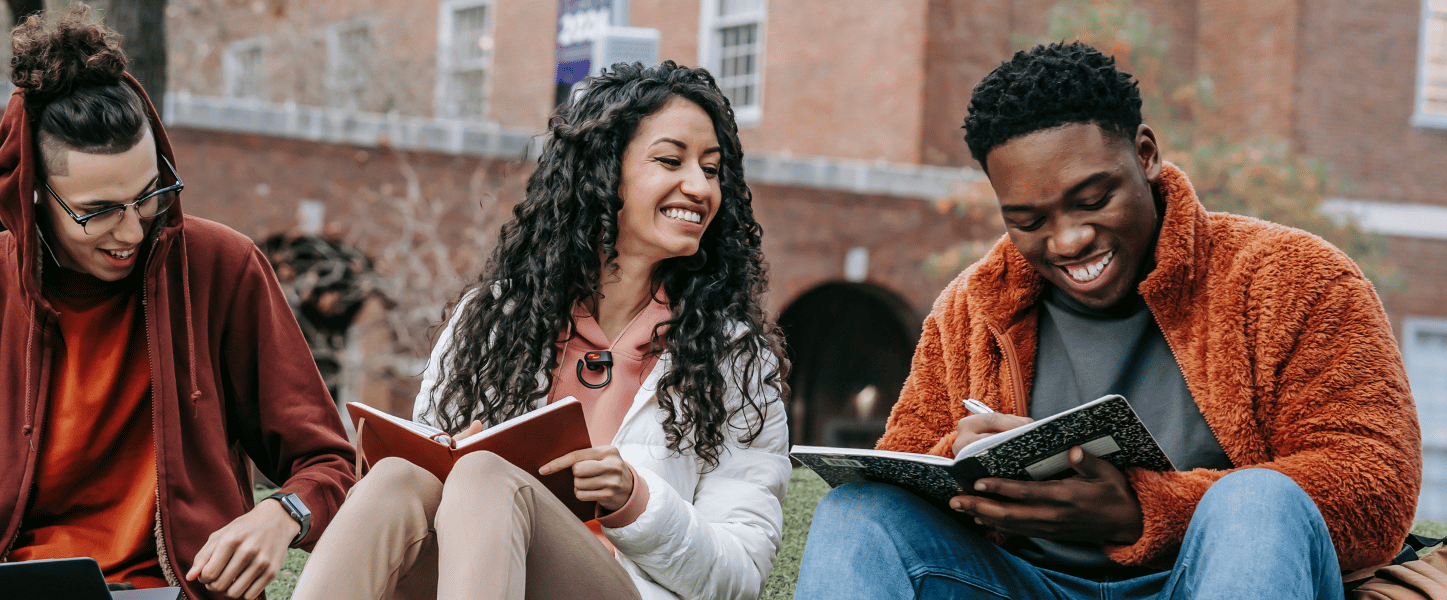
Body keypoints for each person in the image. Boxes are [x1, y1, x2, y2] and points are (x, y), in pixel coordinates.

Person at [792, 41, 1420, 599]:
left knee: (1256, 502)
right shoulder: (972, 306)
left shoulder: (1295, 279)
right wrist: (965, 464)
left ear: (1144, 154)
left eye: (1093, 200)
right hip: (1021, 582)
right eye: (1029, 222)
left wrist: (1143, 512)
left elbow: (1375, 485)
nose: (1068, 241)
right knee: (858, 514)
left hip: (1206, 577)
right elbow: (906, 465)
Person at [0, 6, 356, 599]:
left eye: (149, 196)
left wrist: (283, 514)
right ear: (33, 193)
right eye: (97, 212)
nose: (132, 231)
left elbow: (331, 462)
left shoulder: (224, 269)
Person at [292, 61, 792, 600]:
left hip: (622, 589)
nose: (698, 187)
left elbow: (739, 576)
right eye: (671, 160)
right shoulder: (492, 320)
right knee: (397, 480)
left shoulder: (734, 357)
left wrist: (636, 501)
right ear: (602, 172)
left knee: (487, 475)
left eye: (712, 170)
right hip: (472, 576)